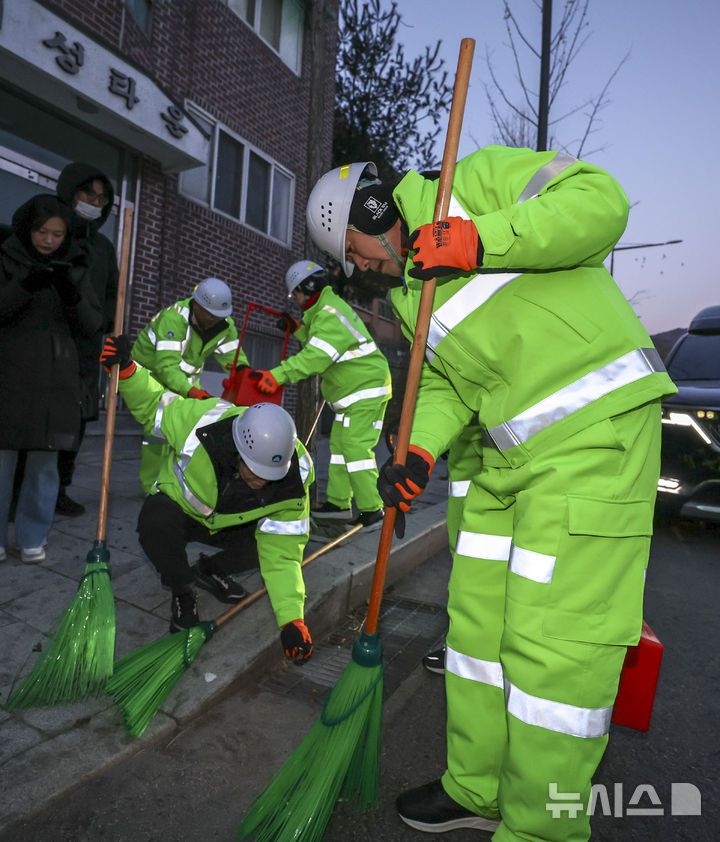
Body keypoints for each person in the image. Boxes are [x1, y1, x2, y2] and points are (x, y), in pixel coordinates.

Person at [305, 148, 677, 840]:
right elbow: (446, 385)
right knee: (476, 629)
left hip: (595, 435)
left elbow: (600, 203)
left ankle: (540, 827)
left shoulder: (471, 184)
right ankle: (476, 788)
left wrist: (481, 239)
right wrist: (418, 449)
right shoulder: (411, 292)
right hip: (509, 455)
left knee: (554, 647)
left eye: (353, 250)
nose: (359, 267)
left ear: (371, 214)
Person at [99, 335, 314, 661]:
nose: (261, 481)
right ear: (238, 449)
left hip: (231, 524)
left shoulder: (293, 482)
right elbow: (154, 404)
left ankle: (211, 569)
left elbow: (283, 554)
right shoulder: (202, 422)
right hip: (182, 514)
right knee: (155, 524)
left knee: (263, 548)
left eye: (270, 475)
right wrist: (128, 370)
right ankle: (183, 589)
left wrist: (292, 620)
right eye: (254, 470)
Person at [252, 260, 391, 528]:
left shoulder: (328, 314)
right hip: (358, 391)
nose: (295, 300)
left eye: (295, 294)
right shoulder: (324, 312)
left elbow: (316, 356)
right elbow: (320, 342)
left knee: (355, 447)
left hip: (365, 390)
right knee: (339, 448)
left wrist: (278, 375)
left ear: (307, 288)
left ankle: (373, 510)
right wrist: (296, 329)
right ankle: (338, 504)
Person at [0, 195, 101, 562]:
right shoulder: (6, 259)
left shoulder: (76, 266)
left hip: (57, 380)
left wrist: (71, 294)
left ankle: (32, 537)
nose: (48, 240)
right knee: (2, 461)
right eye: (41, 231)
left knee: (44, 465)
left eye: (57, 234)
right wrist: (24, 286)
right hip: (9, 376)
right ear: (28, 229)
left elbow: (93, 324)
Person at [131, 277, 248, 494]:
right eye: (211, 315)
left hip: (186, 381)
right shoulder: (173, 319)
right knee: (158, 433)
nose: (215, 320)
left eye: (219, 316)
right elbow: (166, 367)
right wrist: (192, 392)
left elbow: (234, 360)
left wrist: (246, 377)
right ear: (197, 305)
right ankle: (151, 489)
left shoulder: (224, 325)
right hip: (152, 378)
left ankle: (176, 483)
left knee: (187, 431)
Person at [54, 162, 119, 516]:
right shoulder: (52, 233)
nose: (94, 202)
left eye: (101, 198)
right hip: (48, 343)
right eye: (88, 194)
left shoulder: (104, 248)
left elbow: (112, 293)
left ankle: (59, 489)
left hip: (85, 348)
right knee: (38, 418)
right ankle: (21, 490)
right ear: (70, 192)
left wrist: (105, 323)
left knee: (73, 422)